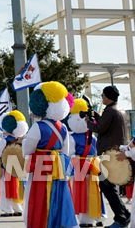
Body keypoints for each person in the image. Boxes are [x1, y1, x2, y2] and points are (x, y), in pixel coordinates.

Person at [21, 81, 77, 228]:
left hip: (41, 166)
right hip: (59, 168)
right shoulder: (63, 127)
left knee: (39, 196)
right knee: (59, 195)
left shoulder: (37, 127)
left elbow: (27, 149)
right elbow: (66, 151)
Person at [89, 85, 130, 228]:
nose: (102, 98)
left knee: (107, 186)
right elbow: (106, 125)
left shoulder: (110, 111)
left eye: (103, 96)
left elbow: (99, 128)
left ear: (108, 97)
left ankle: (121, 218)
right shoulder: (119, 110)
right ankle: (124, 215)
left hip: (108, 155)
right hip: (116, 154)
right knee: (109, 185)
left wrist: (87, 121)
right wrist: (96, 116)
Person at [65, 99, 102, 227]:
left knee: (81, 193)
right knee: (94, 192)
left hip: (79, 167)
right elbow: (97, 152)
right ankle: (97, 216)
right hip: (93, 167)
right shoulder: (94, 137)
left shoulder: (72, 137)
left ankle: (84, 219)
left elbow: (70, 153)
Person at [0, 110, 27, 217]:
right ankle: (17, 208)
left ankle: (7, 209)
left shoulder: (5, 140)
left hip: (7, 166)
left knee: (5, 188)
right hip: (17, 167)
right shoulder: (21, 140)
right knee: (16, 187)